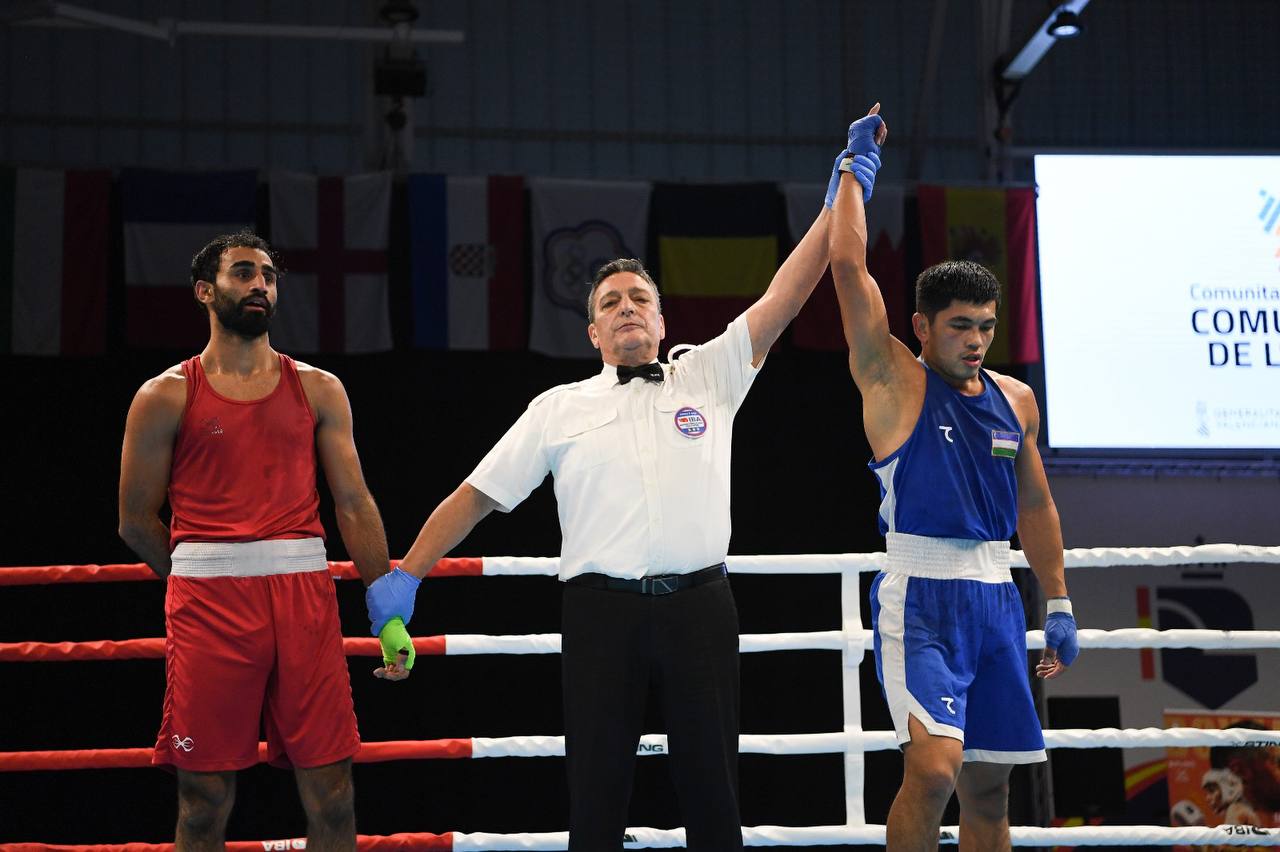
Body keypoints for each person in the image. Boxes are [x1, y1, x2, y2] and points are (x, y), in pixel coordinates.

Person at [389, 108, 887, 851]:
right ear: (593, 332)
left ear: (661, 320)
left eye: (639, 299)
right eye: (610, 303)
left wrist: (843, 189)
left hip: (700, 607)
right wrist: (407, 576)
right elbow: (475, 497)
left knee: (714, 797)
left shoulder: (707, 375)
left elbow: (786, 295)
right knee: (596, 800)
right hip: (600, 616)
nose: (626, 308)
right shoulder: (558, 408)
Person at [117, 232, 414, 847]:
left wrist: (387, 612)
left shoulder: (318, 388)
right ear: (205, 291)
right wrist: (199, 578)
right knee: (202, 803)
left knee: (334, 795)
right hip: (208, 610)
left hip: (303, 600)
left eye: (269, 276)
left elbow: (354, 502)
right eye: (244, 273)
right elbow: (135, 520)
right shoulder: (164, 394)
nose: (260, 285)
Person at [827, 162, 1080, 849]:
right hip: (921, 596)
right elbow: (848, 270)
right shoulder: (893, 382)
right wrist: (851, 178)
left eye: (987, 327)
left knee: (991, 789)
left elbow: (1035, 503)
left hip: (997, 597)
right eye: (960, 325)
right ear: (922, 325)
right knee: (935, 770)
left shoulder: (1015, 401)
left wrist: (1058, 599)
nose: (975, 341)